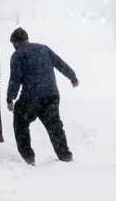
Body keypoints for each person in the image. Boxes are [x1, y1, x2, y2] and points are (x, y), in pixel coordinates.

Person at [6, 27, 79, 165]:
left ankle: (28, 158)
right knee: (55, 127)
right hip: (51, 95)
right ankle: (65, 156)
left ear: (16, 43)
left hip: (31, 98)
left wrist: (10, 98)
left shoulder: (17, 55)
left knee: (20, 122)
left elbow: (15, 79)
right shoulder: (43, 49)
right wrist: (72, 77)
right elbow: (59, 63)